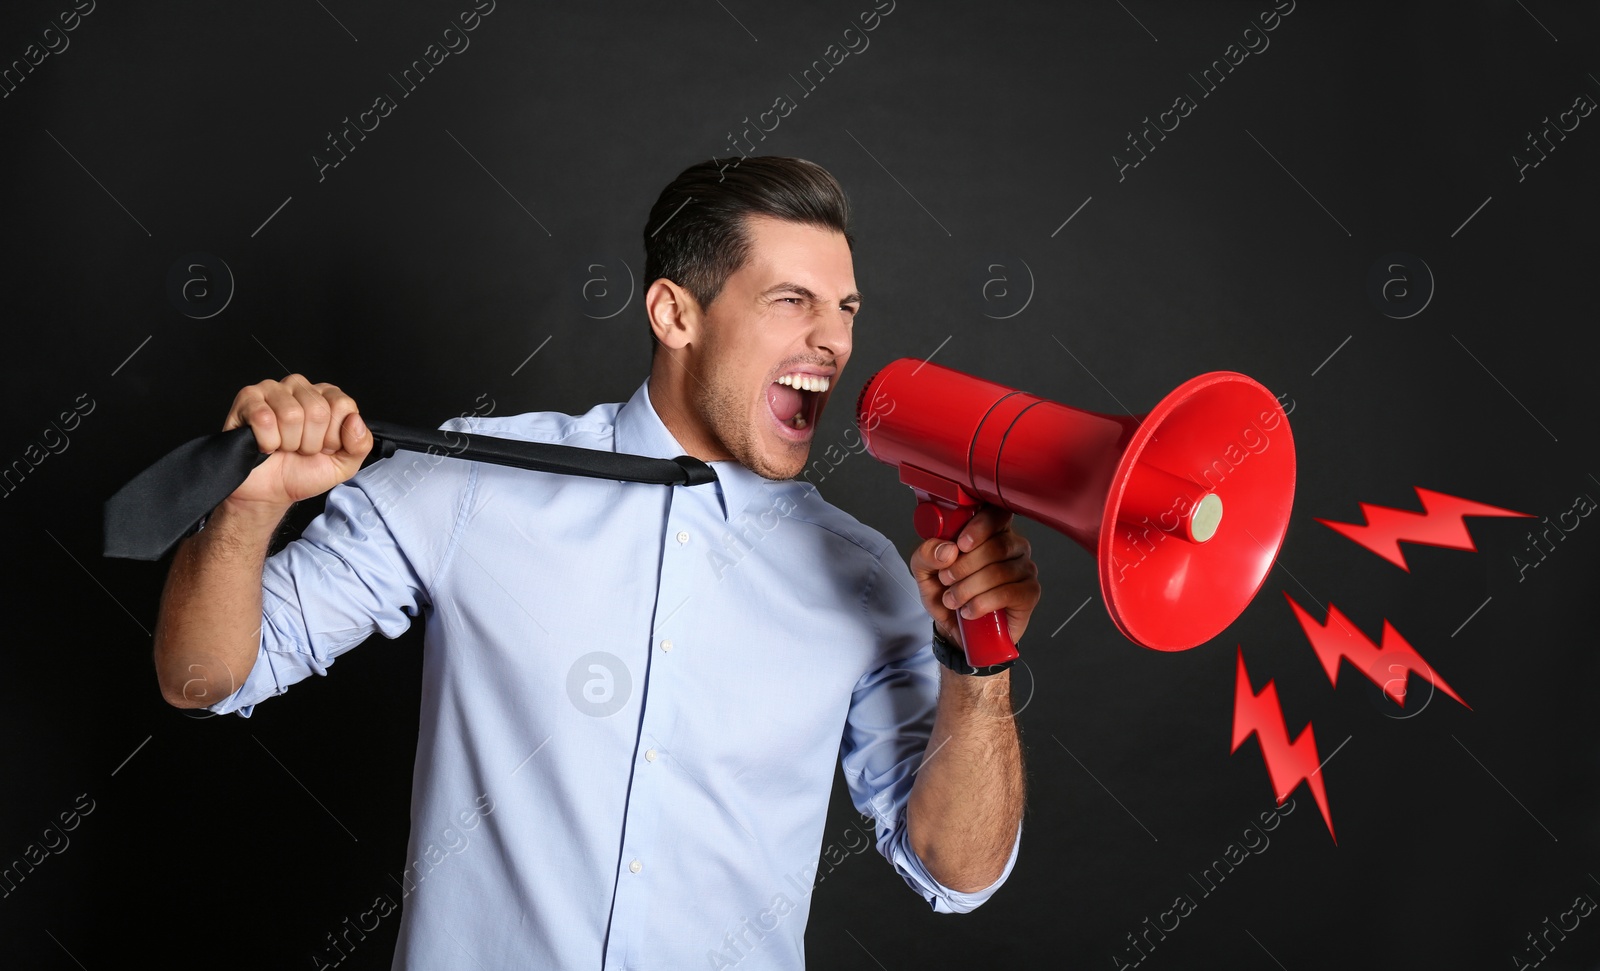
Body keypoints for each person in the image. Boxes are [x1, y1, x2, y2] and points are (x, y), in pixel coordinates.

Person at [151, 156, 1040, 969]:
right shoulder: (470, 483)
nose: (834, 342)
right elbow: (205, 677)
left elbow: (957, 873)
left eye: (844, 310)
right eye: (791, 301)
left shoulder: (867, 574)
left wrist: (978, 664)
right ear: (674, 313)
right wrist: (248, 506)